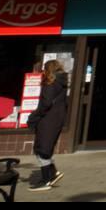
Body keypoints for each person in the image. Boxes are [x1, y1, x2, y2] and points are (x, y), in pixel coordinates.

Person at [27, 60, 69, 192]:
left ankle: (46, 180)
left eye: (44, 69)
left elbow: (46, 103)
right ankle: (53, 174)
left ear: (48, 69)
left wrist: (34, 115)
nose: (43, 72)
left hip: (48, 119)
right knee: (46, 148)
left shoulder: (50, 83)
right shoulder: (61, 81)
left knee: (42, 149)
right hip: (56, 119)